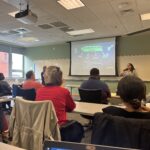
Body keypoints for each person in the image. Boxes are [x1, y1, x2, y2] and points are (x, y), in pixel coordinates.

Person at [36, 66, 84, 142]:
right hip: (59, 129)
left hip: (41, 128)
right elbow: (72, 107)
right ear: (60, 78)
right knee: (78, 127)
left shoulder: (39, 91)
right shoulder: (64, 91)